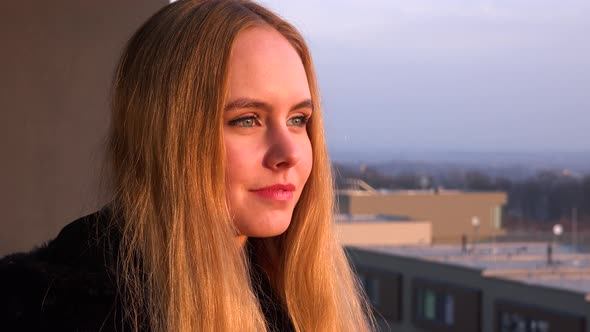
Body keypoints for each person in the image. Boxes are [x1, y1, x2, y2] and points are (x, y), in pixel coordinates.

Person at [0, 0, 374, 331]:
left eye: (298, 119)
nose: (288, 153)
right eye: (247, 119)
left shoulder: (303, 297)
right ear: (167, 135)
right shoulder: (54, 307)